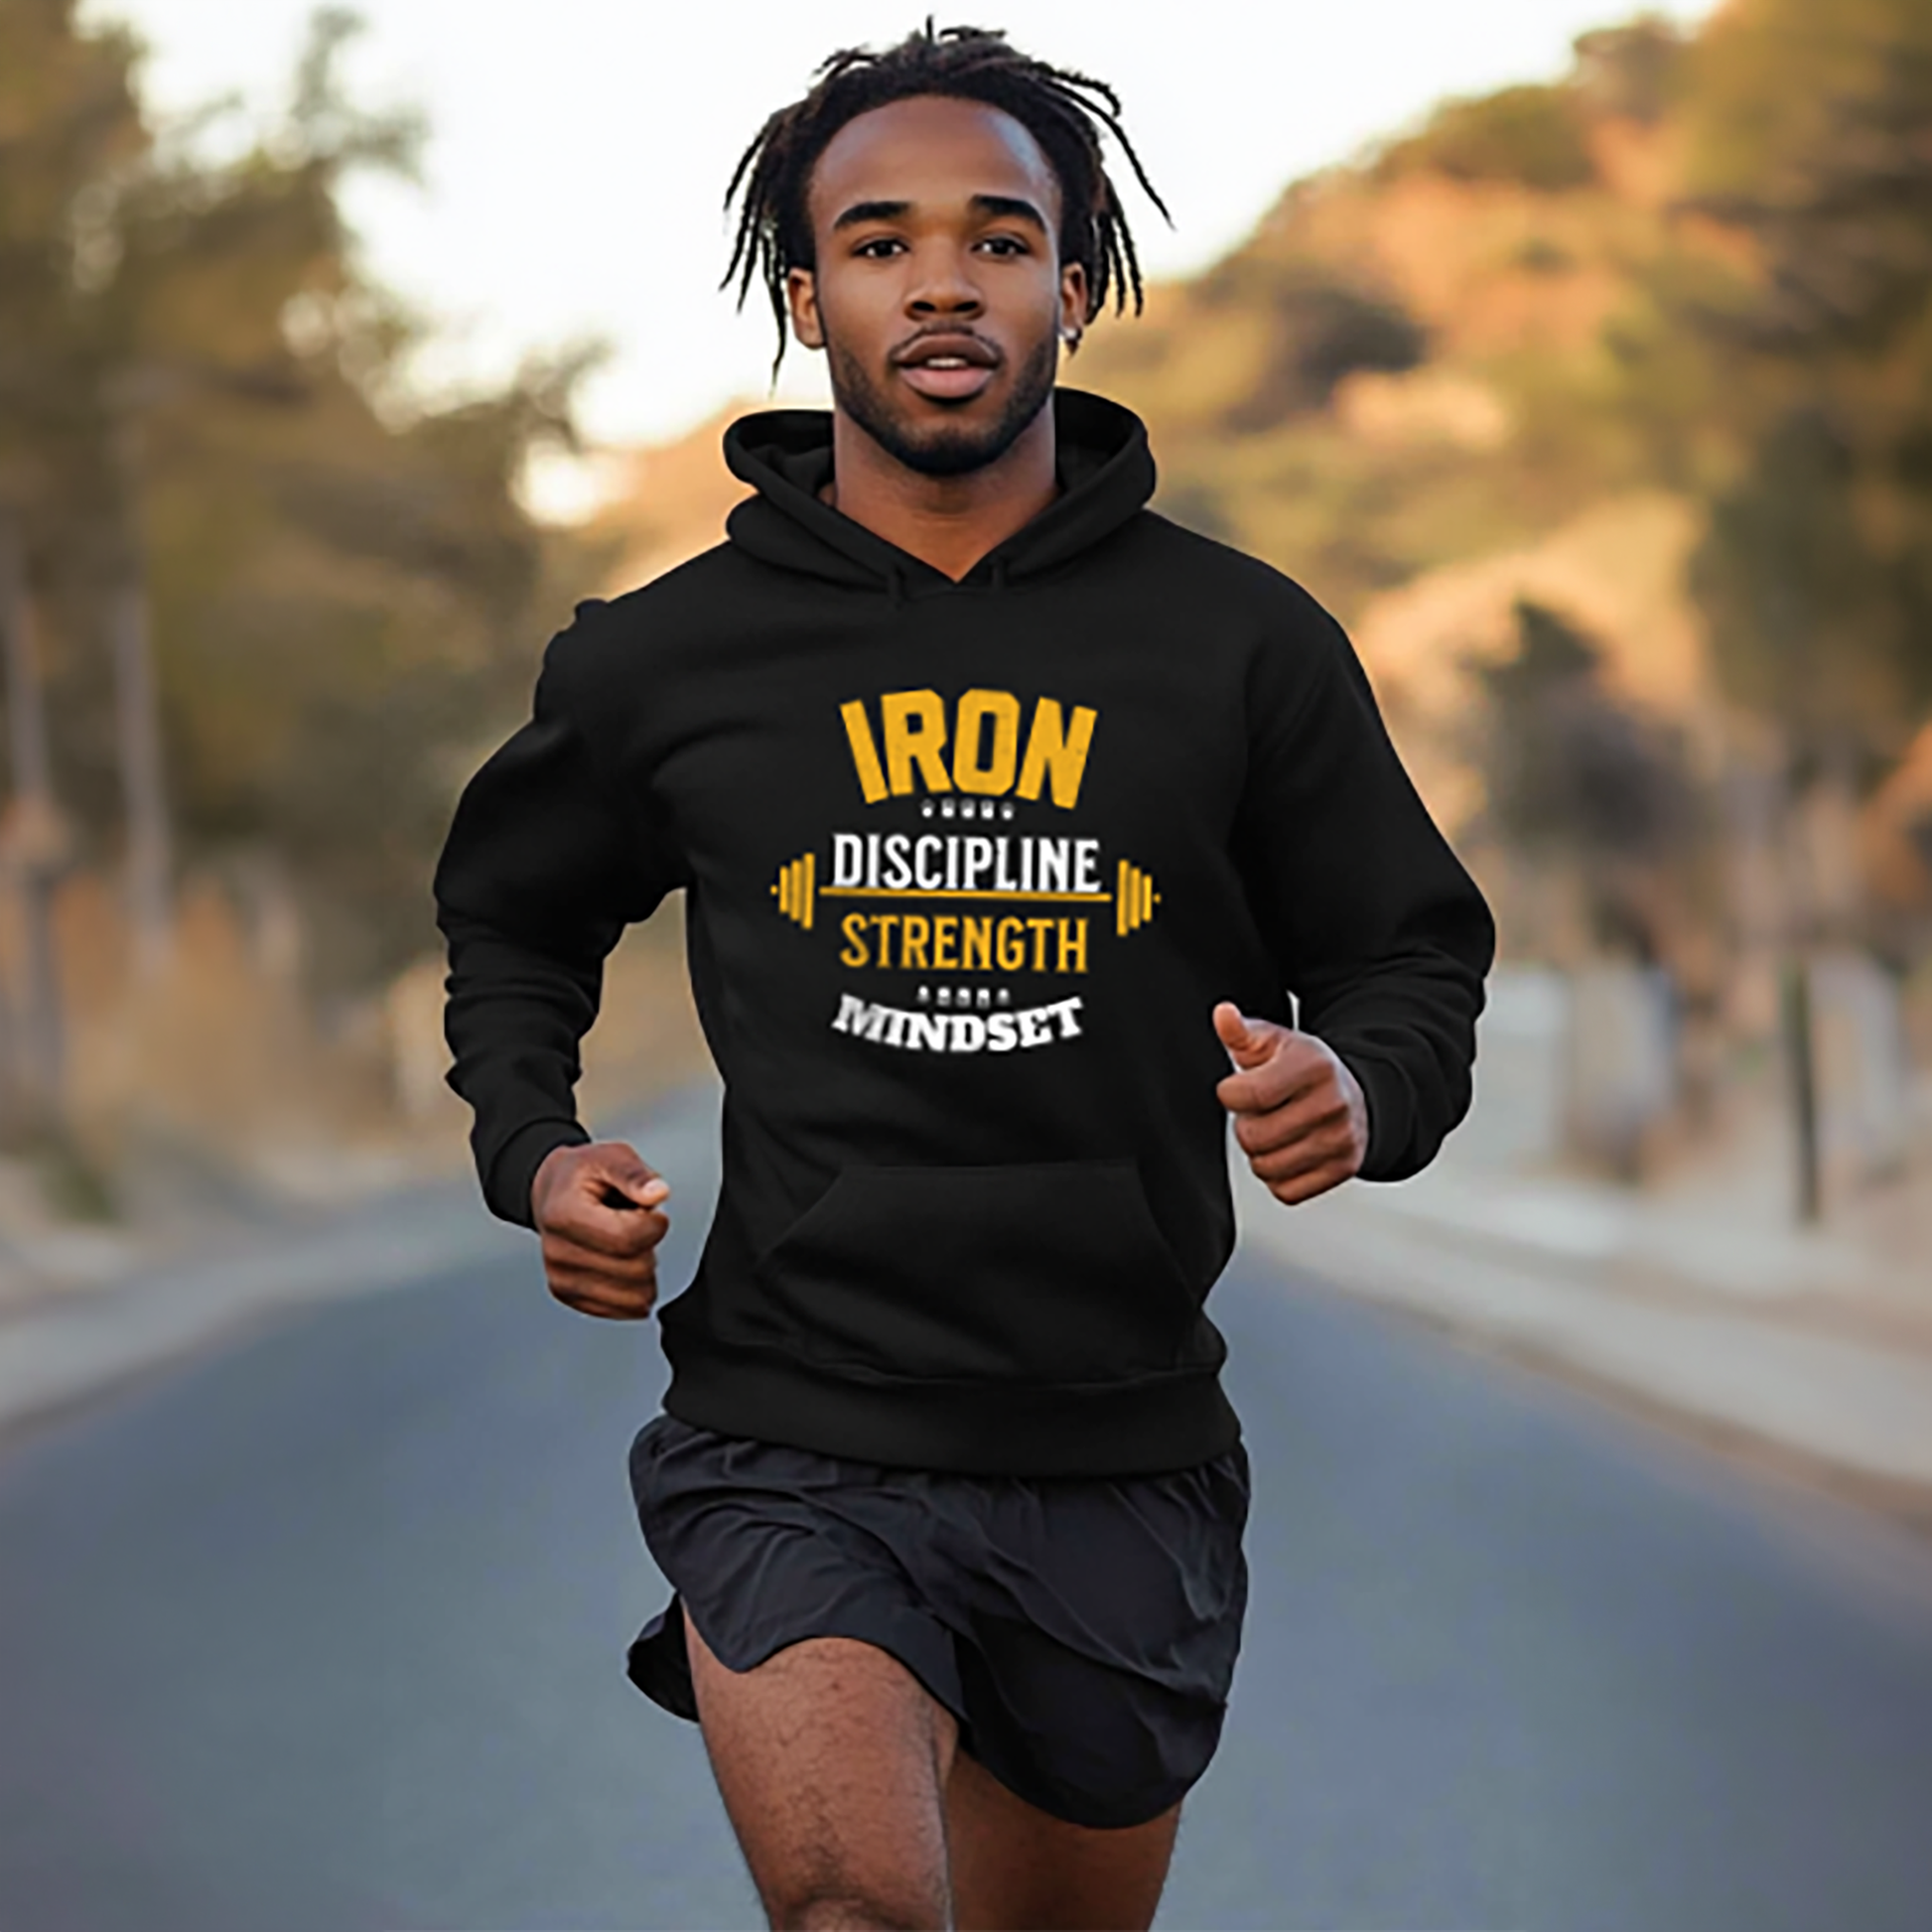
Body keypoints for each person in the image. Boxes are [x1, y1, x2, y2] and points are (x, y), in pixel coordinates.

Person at [434, 23, 1493, 1930]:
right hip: (792, 1432)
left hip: (1121, 1446)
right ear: (804, 294)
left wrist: (1359, 1085)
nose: (940, 280)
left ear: (1073, 290)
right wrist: (535, 1144)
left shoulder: (1239, 645)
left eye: (1000, 239)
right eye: (879, 242)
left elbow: (1405, 951)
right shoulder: (664, 660)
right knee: (853, 1911)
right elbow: (515, 917)